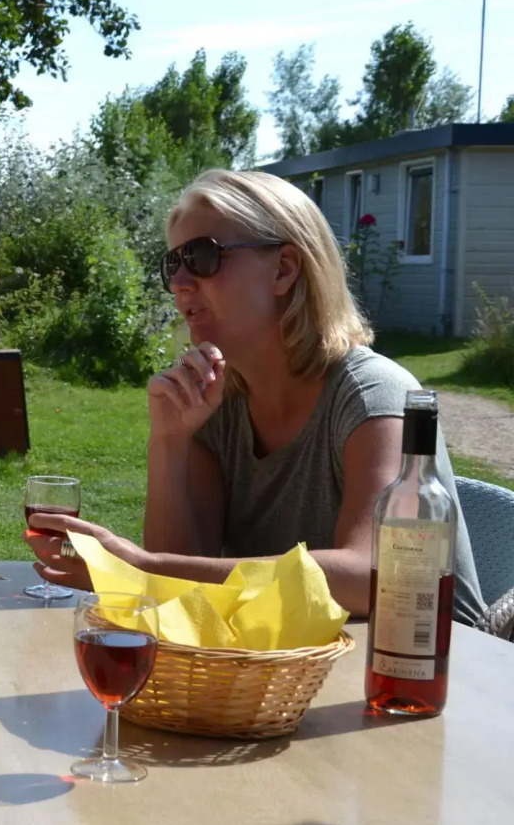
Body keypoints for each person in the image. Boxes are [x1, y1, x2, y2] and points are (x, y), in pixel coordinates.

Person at [26, 169, 484, 625]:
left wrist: (141, 570)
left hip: (435, 673)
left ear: (283, 269)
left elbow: (374, 575)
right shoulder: (217, 405)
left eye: (202, 256)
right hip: (293, 673)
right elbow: (182, 574)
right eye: (172, 263)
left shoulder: (375, 397)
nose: (178, 282)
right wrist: (169, 441)